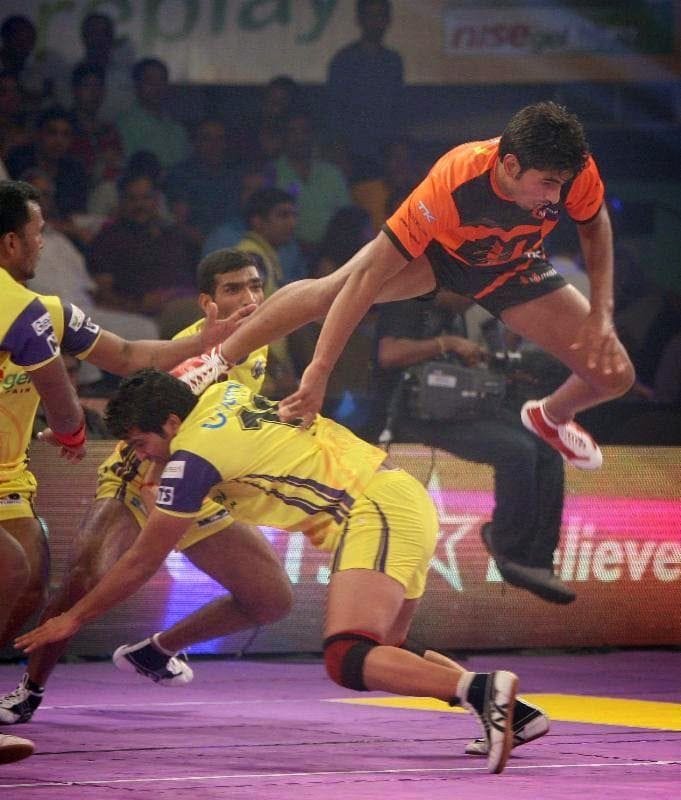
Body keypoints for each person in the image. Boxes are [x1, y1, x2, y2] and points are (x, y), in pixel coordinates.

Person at [16, 368, 547, 777]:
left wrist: (73, 618)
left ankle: (483, 689)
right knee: (388, 647)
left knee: (347, 656)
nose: (142, 456)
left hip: (373, 509)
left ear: (172, 424)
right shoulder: (223, 393)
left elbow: (142, 559)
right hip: (401, 498)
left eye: (141, 444)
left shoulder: (191, 461)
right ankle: (516, 715)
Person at [213, 102, 635, 470]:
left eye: (562, 185)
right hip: (439, 257)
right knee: (330, 292)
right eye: (547, 185)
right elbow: (367, 278)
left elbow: (594, 225)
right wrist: (319, 370)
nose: (557, 198)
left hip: (513, 265)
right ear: (510, 166)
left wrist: (602, 312)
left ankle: (550, 417)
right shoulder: (453, 182)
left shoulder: (573, 170)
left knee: (616, 375)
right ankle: (217, 358)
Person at [0, 249, 292, 726]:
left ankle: (156, 651)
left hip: (198, 486)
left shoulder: (259, 343)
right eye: (233, 289)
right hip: (142, 475)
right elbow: (136, 411)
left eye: (255, 285)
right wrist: (85, 432)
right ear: (208, 302)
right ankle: (28, 691)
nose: (249, 297)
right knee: (84, 580)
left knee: (272, 599)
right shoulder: (195, 352)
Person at [0, 179, 250, 654]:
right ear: (12, 242)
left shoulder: (48, 312)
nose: (42, 243)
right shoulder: (19, 310)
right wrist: (73, 435)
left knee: (29, 585)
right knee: (10, 568)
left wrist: (203, 341)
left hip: (8, 476)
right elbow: (61, 399)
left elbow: (130, 355)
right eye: (38, 233)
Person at [372, 290, 573, 603]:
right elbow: (389, 354)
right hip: (411, 413)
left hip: (457, 406)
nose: (471, 303)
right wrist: (448, 343)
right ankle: (509, 546)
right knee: (516, 450)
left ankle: (537, 560)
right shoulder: (407, 301)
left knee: (547, 447)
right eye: (468, 297)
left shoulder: (455, 316)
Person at [326, 0, 404, 179]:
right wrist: (340, 153)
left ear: (388, 20)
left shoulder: (393, 62)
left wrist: (397, 152)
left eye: (380, 16)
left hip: (385, 153)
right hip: (351, 154)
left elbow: (398, 109)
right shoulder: (344, 60)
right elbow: (334, 111)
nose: (375, 22)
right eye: (370, 16)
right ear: (360, 19)